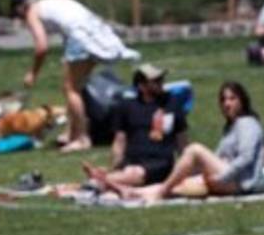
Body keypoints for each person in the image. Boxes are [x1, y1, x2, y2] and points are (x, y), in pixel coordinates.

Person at [12, 0, 141, 154]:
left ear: (20, 9)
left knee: (71, 89)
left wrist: (32, 73)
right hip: (95, 31)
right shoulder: (50, 1)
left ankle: (81, 138)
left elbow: (41, 47)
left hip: (81, 37)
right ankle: (71, 133)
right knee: (76, 86)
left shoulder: (32, 12)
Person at [107, 81, 264, 205]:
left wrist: (222, 177)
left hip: (238, 182)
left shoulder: (247, 123)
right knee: (179, 184)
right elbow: (221, 156)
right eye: (223, 100)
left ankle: (158, 194)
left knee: (194, 149)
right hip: (226, 178)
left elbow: (246, 157)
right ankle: (133, 192)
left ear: (242, 101)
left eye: (232, 99)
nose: (226, 104)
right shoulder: (232, 126)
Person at [79, 63, 188, 193]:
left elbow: (182, 140)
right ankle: (103, 180)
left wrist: (185, 169)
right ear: (141, 86)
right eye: (155, 81)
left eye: (161, 79)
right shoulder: (126, 107)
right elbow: (120, 141)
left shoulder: (172, 104)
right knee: (130, 171)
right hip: (131, 161)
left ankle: (99, 180)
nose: (161, 83)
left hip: (159, 163)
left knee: (135, 173)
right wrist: (114, 166)